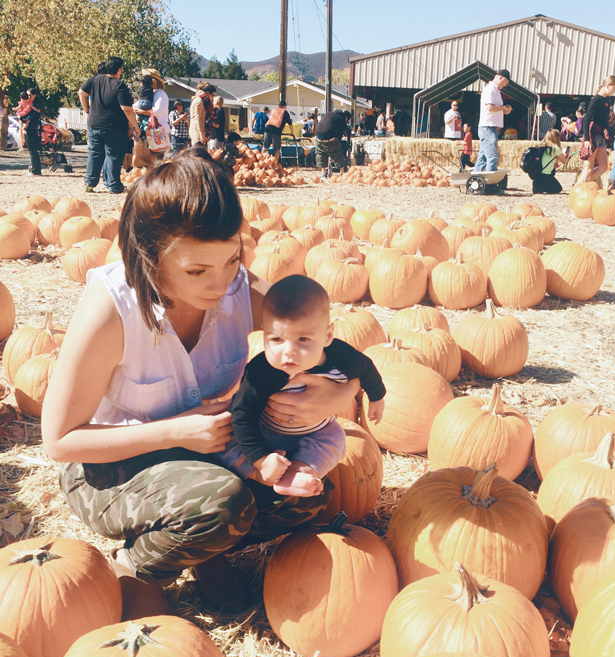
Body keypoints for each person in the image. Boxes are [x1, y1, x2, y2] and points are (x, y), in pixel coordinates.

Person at [41, 148, 361, 616]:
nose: (221, 283)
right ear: (150, 257)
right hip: (108, 467)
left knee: (304, 497)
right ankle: (134, 565)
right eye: (197, 271)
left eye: (232, 260)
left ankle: (205, 549)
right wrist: (178, 431)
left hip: (208, 457)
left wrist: (342, 391)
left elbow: (321, 340)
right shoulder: (112, 310)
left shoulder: (236, 287)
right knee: (223, 503)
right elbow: (60, 441)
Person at [230, 276, 385, 496]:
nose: (288, 351)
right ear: (264, 333)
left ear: (327, 336)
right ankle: (260, 474)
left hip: (315, 432)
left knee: (335, 438)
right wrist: (262, 460)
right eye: (276, 339)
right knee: (229, 438)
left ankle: (297, 473)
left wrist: (377, 397)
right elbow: (243, 416)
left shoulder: (342, 358)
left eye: (303, 339)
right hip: (264, 432)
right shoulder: (261, 372)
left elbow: (367, 368)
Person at [79, 56, 140, 194]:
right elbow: (127, 109)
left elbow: (81, 92)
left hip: (94, 124)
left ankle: (90, 183)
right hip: (114, 126)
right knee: (113, 155)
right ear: (119, 69)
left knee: (95, 153)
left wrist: (88, 110)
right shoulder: (119, 85)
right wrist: (135, 125)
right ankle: (113, 185)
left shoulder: (94, 80)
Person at [578, 75, 615, 184]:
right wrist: (587, 139)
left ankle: (583, 183)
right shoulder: (596, 100)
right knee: (589, 167)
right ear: (607, 85)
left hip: (601, 136)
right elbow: (586, 119)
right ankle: (578, 187)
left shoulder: (607, 100)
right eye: (614, 88)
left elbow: (605, 120)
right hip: (593, 134)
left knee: (604, 167)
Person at [473, 69, 512, 173]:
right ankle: (491, 185)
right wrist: (504, 108)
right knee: (492, 157)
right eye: (505, 83)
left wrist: (505, 110)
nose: (505, 86)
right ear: (501, 78)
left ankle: (475, 180)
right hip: (488, 128)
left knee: (483, 158)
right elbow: (490, 108)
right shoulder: (489, 90)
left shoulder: (496, 92)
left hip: (490, 127)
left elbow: (495, 109)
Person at [314, 108, 351, 179]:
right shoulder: (342, 120)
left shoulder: (327, 114)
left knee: (321, 153)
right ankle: (342, 172)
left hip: (317, 135)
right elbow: (340, 135)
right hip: (330, 137)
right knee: (338, 152)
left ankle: (323, 173)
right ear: (345, 117)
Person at [142, 68, 170, 158]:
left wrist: (142, 111)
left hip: (158, 131)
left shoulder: (161, 94)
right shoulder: (151, 94)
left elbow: (157, 111)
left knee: (157, 158)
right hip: (151, 131)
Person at [531, 129, 569, 194]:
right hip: (546, 175)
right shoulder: (555, 148)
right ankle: (543, 187)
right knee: (558, 188)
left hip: (537, 174)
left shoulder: (541, 145)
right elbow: (564, 161)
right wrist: (568, 154)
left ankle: (538, 186)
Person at [189, 81, 215, 147]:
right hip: (197, 134)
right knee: (198, 156)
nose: (213, 98)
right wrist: (201, 135)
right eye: (213, 95)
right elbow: (196, 119)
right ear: (208, 93)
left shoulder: (202, 101)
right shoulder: (199, 101)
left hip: (199, 133)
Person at [24, 88, 43, 176]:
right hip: (32, 129)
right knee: (32, 150)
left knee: (33, 150)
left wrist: (24, 122)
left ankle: (36, 170)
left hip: (32, 129)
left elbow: (29, 117)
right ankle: (35, 168)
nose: (28, 97)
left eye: (29, 95)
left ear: (34, 95)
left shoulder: (34, 106)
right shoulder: (32, 105)